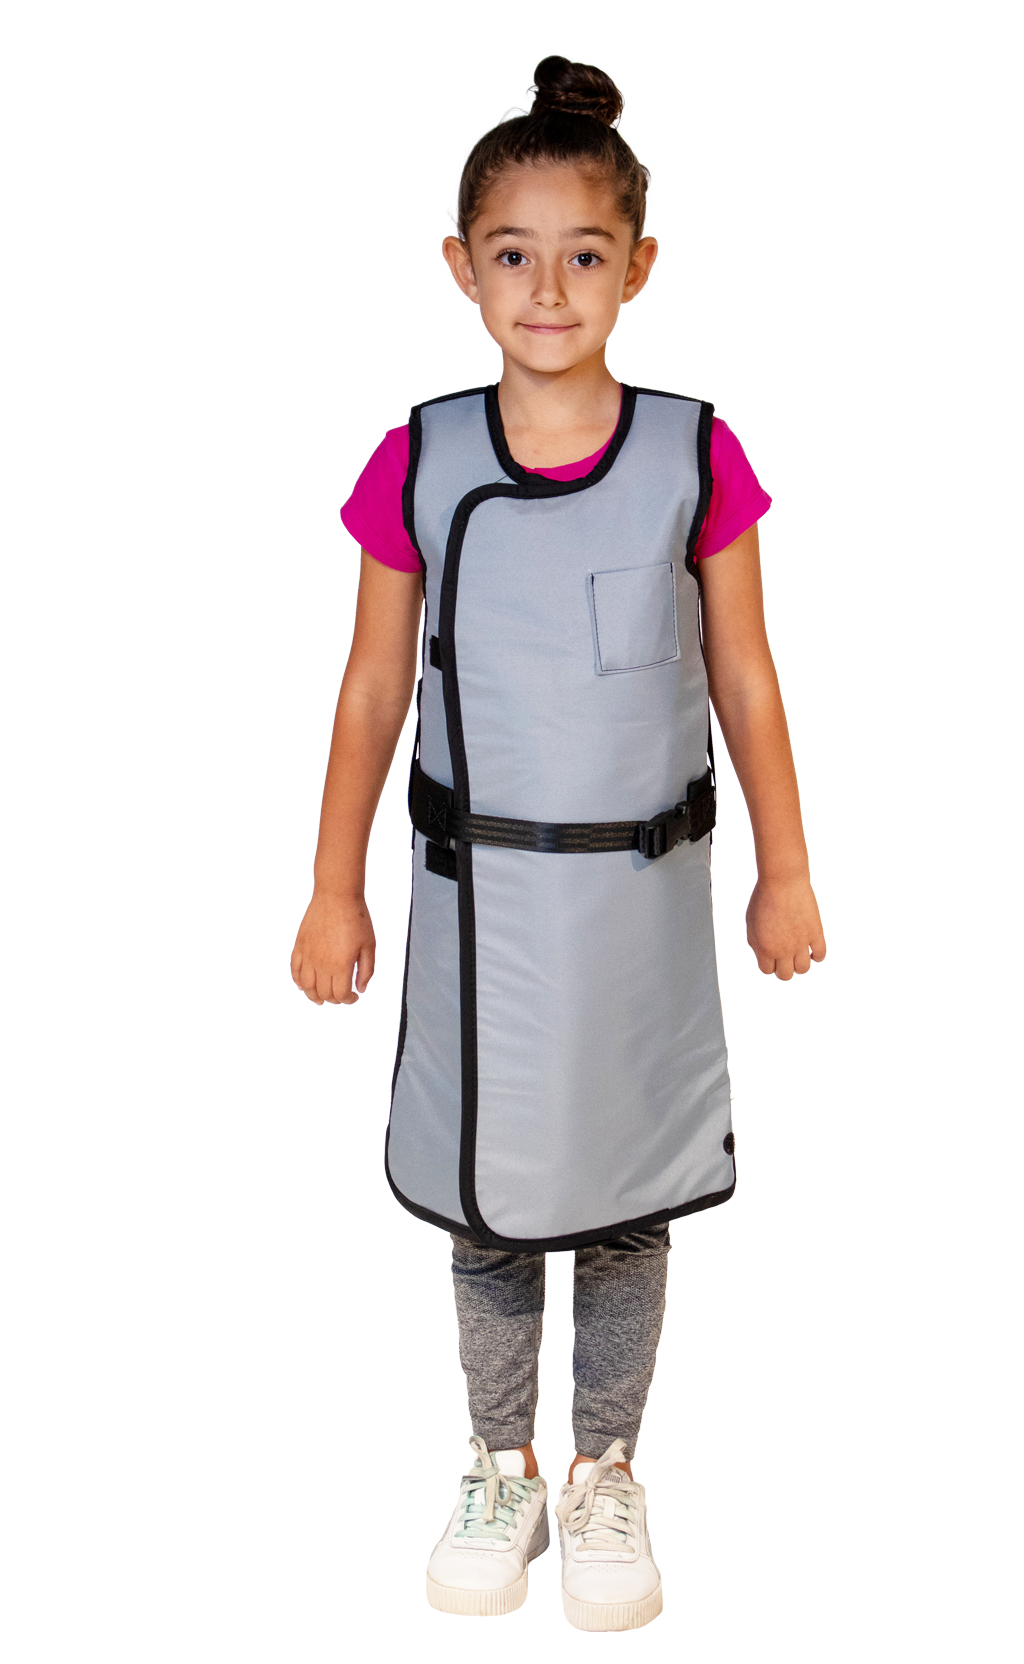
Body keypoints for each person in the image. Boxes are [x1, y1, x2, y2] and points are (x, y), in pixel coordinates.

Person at [290, 52, 826, 1633]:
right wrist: (331, 886)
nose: (547, 289)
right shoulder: (418, 456)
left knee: (633, 1188)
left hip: (643, 903)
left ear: (642, 267)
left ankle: (604, 1472)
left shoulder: (695, 454)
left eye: (584, 255)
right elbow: (373, 683)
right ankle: (498, 1463)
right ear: (457, 264)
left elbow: (745, 673)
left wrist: (788, 870)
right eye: (511, 254)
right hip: (477, 909)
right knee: (489, 1192)